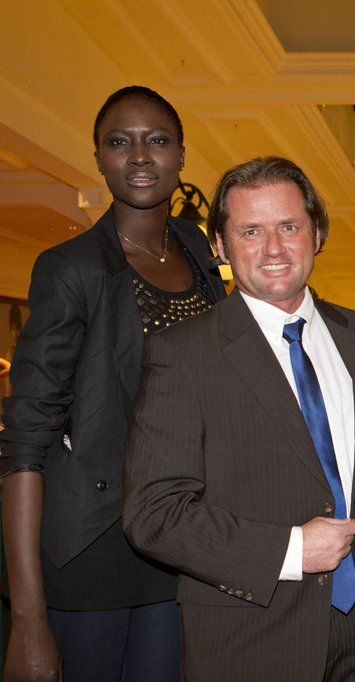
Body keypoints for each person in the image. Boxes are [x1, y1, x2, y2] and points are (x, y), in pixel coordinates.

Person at [121, 157, 355, 681]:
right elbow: (153, 514)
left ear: (317, 234)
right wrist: (291, 549)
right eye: (251, 231)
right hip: (253, 641)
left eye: (289, 227)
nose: (273, 249)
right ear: (220, 246)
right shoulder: (183, 354)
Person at [0, 85, 225, 682]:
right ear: (98, 157)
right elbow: (25, 443)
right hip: (93, 543)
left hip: (181, 537)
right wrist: (27, 618)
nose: (141, 156)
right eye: (120, 141)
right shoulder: (71, 268)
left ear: (181, 155)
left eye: (158, 140)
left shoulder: (198, 249)